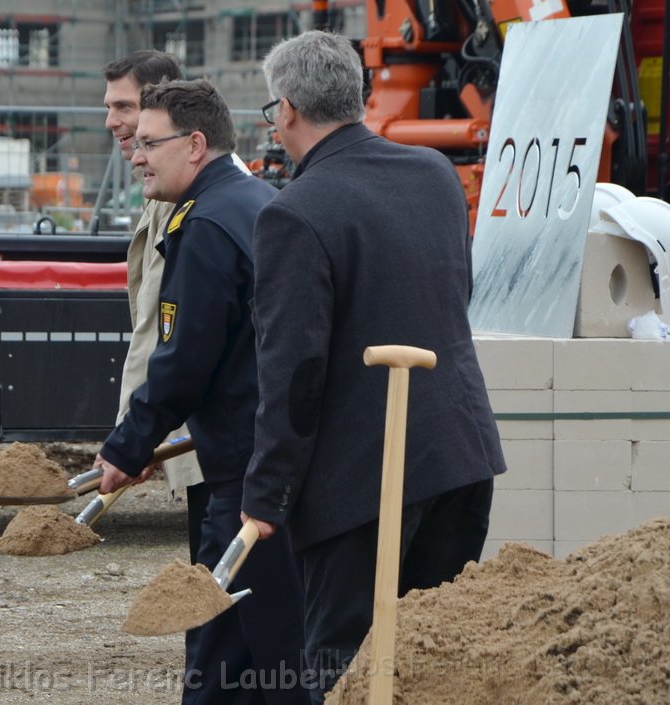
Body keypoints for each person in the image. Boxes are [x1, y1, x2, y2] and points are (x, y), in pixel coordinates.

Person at [240, 30, 507, 703]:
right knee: (436, 662)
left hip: (362, 486)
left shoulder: (294, 213)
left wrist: (267, 492)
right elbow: (451, 294)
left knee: (348, 671)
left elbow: (293, 373)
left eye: (272, 109)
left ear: (289, 109)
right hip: (458, 457)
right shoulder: (434, 175)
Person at [96, 79, 308, 705]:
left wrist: (127, 446)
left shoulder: (208, 225)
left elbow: (184, 361)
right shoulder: (255, 201)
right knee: (265, 642)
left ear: (194, 144)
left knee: (228, 657)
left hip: (243, 474)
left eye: (147, 143)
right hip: (275, 460)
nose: (135, 156)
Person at [101, 51, 209, 564]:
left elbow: (166, 336)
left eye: (123, 106)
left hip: (208, 440)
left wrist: (131, 438)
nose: (112, 122)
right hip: (193, 432)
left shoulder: (186, 206)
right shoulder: (163, 198)